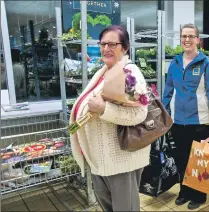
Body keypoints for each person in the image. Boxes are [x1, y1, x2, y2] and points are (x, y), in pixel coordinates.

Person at [69, 25, 150, 211]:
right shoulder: (104, 71)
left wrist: (104, 108)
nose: (106, 48)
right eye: (103, 44)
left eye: (113, 44)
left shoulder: (130, 74)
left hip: (121, 160)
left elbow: (140, 113)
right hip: (101, 159)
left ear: (125, 47)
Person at [162, 23, 209, 210]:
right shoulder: (174, 63)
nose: (187, 39)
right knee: (181, 158)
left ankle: (199, 194)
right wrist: (162, 115)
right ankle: (185, 190)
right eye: (184, 36)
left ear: (198, 40)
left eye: (191, 36)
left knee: (199, 161)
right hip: (178, 121)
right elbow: (167, 92)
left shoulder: (206, 64)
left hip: (200, 121)